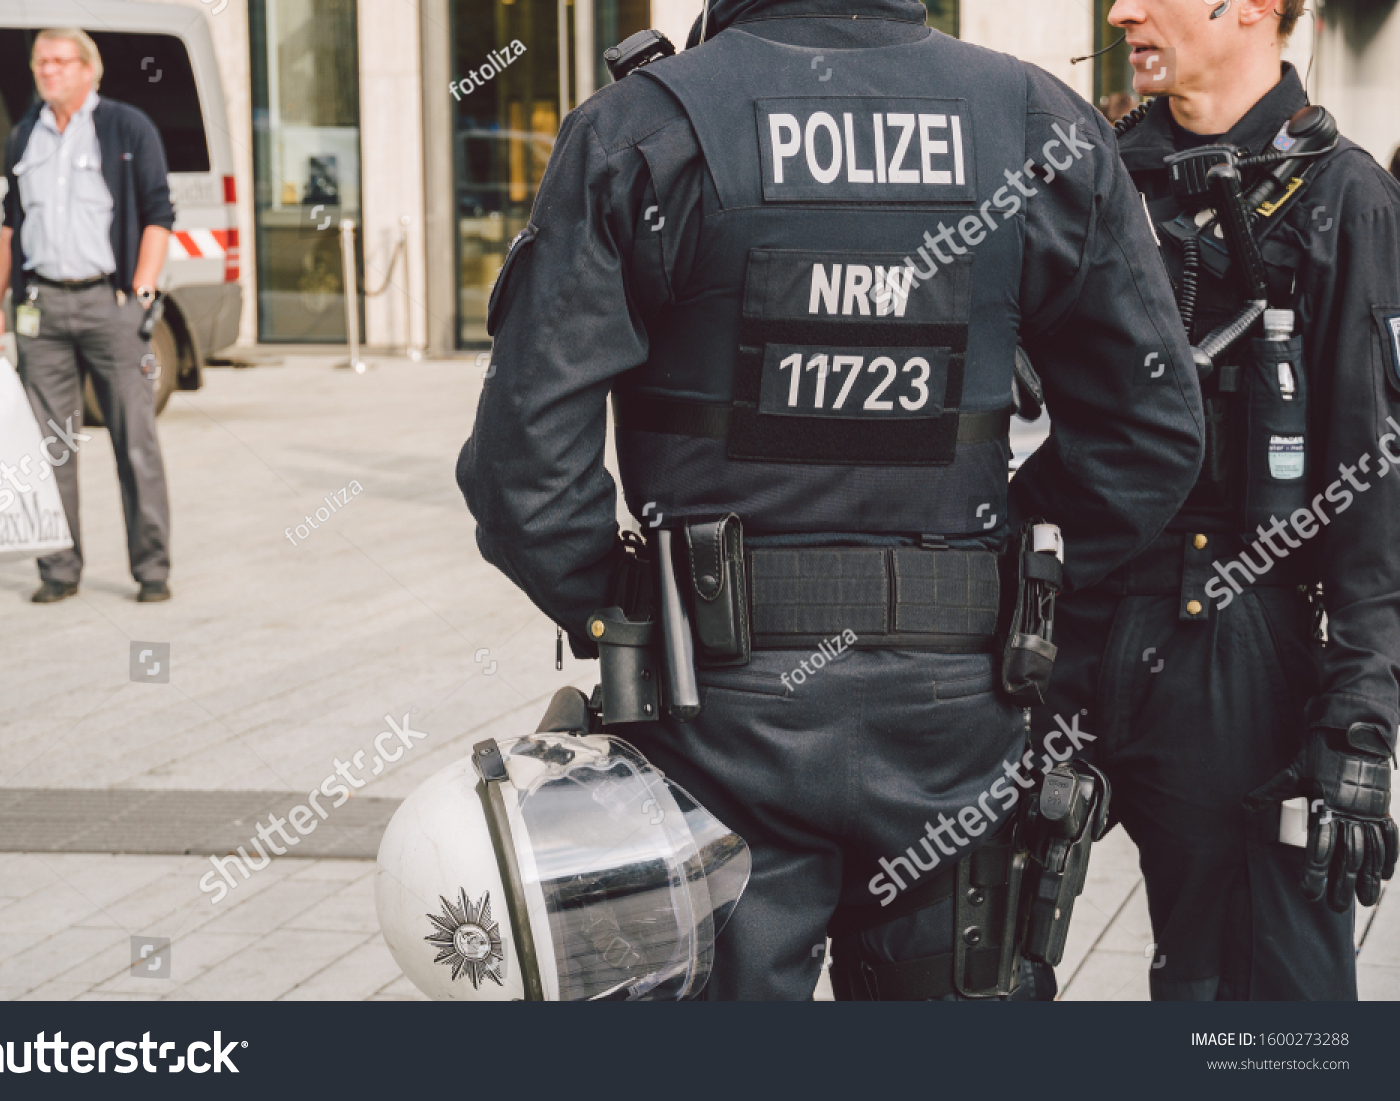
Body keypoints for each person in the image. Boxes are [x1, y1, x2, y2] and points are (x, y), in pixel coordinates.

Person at [456, 0, 1205, 999]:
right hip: (959, 717)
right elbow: (1151, 435)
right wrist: (1005, 579)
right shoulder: (1035, 121)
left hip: (710, 715)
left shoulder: (650, 124)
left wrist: (633, 610)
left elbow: (523, 475)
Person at [1045, 0, 1400, 1000]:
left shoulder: (1345, 199)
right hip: (1067, 629)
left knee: (1257, 1006)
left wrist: (1358, 716)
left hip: (1239, 645)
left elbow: (1375, 484)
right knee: (972, 963)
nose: (1122, 10)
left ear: (1250, 8)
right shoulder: (1094, 179)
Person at [0, 28, 175, 604]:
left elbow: (160, 213)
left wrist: (140, 292)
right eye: (42, 62)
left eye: (61, 61)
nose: (49, 71)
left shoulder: (126, 128)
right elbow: (11, 227)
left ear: (90, 70)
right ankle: (59, 569)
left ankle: (152, 569)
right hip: (42, 307)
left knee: (135, 442)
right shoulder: (22, 137)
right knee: (49, 448)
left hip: (107, 304)